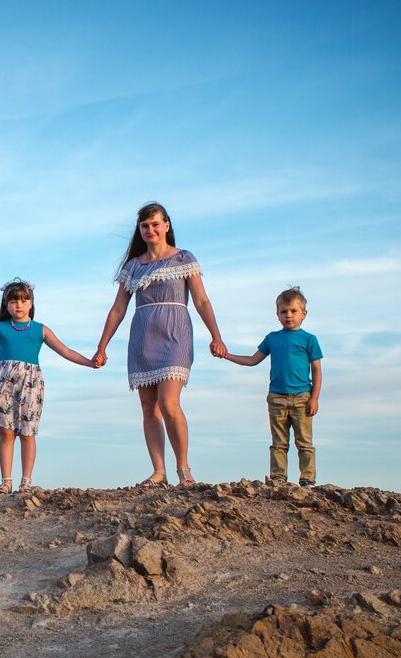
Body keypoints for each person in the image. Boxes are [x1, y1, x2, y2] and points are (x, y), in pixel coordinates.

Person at [92, 202, 227, 488]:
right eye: (145, 225)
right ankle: (158, 472)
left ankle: (183, 469)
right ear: (140, 230)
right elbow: (117, 309)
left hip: (175, 334)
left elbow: (202, 300)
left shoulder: (184, 259)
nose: (150, 229)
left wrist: (216, 336)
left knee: (168, 402)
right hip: (142, 336)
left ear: (166, 225)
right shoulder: (133, 266)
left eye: (155, 224)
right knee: (148, 407)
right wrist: (102, 346)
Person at [0, 279, 99, 494]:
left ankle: (25, 481)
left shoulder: (40, 330)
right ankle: (6, 481)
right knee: (7, 433)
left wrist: (90, 362)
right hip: (4, 384)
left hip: (30, 384)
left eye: (23, 300)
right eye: (13, 301)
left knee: (27, 433)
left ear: (31, 304)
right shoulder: (1, 328)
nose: (18, 305)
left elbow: (65, 351)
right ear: (6, 305)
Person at [218, 286, 322, 486]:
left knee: (304, 442)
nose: (289, 316)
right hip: (276, 397)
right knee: (279, 443)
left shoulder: (309, 340)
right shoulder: (272, 338)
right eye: (284, 311)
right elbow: (252, 360)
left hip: (302, 397)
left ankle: (307, 480)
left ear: (303, 314)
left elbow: (317, 370)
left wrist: (314, 397)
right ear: (277, 314)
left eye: (293, 311)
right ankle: (278, 479)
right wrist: (226, 355)